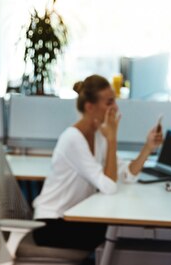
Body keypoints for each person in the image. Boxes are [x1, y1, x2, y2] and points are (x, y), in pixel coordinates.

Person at [32, 74, 163, 250]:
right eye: (109, 103)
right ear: (90, 107)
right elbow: (109, 186)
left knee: (119, 230)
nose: (115, 107)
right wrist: (112, 139)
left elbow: (125, 175)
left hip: (74, 217)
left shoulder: (98, 135)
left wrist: (148, 147)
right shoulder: (73, 139)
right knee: (117, 231)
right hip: (51, 224)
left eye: (114, 101)